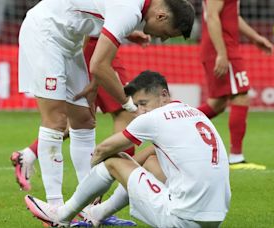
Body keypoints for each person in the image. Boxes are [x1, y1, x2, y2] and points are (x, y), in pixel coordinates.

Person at [17, 0, 194, 219]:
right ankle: (55, 208)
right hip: (45, 33)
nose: (163, 38)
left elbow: (94, 19)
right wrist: (130, 106)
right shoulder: (130, 10)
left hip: (70, 41)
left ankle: (86, 205)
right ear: (161, 16)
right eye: (167, 33)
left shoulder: (134, 11)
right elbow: (99, 65)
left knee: (84, 120)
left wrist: (95, 81)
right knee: (56, 120)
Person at [24, 71, 231, 227]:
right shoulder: (194, 112)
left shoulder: (153, 118)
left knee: (114, 160)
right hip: (214, 219)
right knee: (150, 161)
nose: (140, 111)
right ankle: (97, 214)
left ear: (164, 95)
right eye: (137, 105)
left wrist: (95, 182)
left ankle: (61, 216)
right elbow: (149, 154)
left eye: (143, 103)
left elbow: (102, 150)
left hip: (181, 219)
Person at [11, 37, 137, 226]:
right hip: (94, 50)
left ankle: (29, 155)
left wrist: (129, 31)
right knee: (123, 115)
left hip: (97, 48)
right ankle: (71, 207)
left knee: (82, 120)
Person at [197, 0, 274, 170]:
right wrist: (222, 54)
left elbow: (232, 16)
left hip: (222, 47)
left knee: (217, 103)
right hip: (222, 48)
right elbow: (212, 16)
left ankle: (177, 121)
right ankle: (236, 157)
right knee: (241, 95)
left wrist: (255, 37)